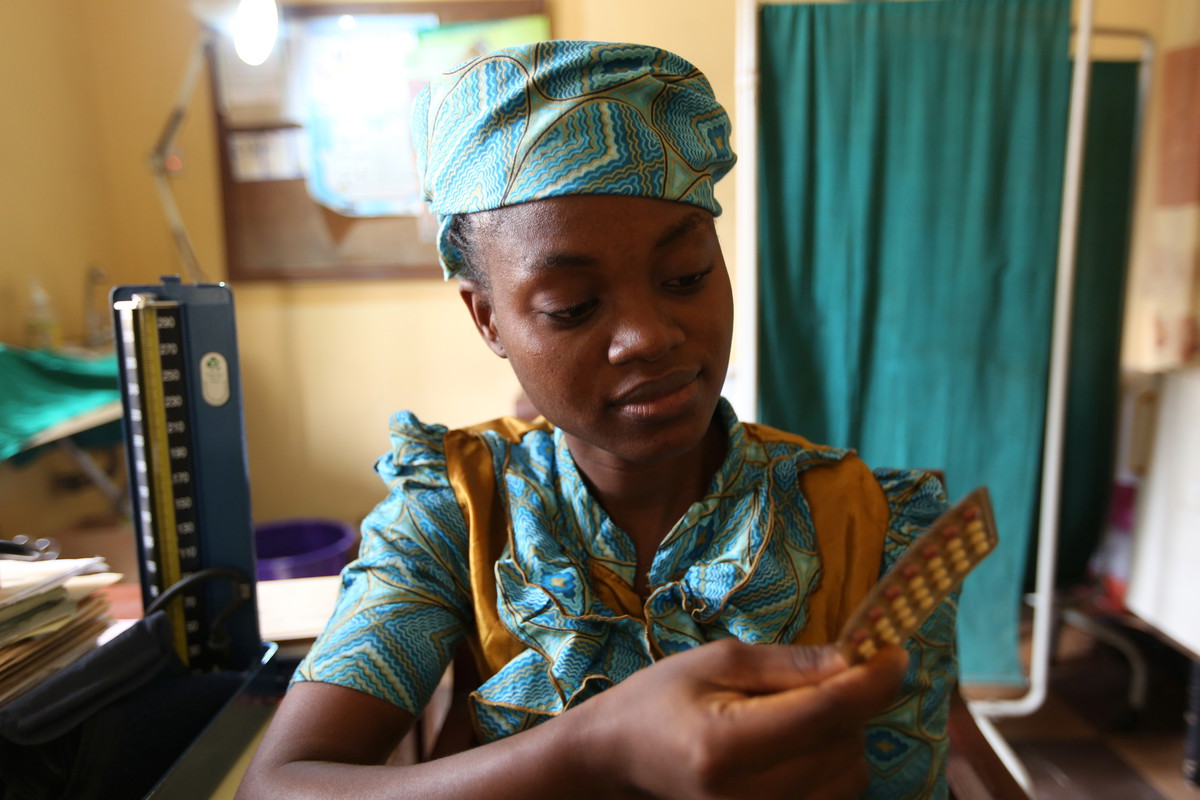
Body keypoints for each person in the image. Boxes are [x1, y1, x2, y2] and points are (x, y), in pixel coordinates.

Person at [238, 41, 956, 800]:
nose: (648, 334)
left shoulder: (866, 522)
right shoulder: (459, 515)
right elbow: (278, 788)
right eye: (572, 307)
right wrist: (589, 749)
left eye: (687, 277)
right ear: (487, 320)